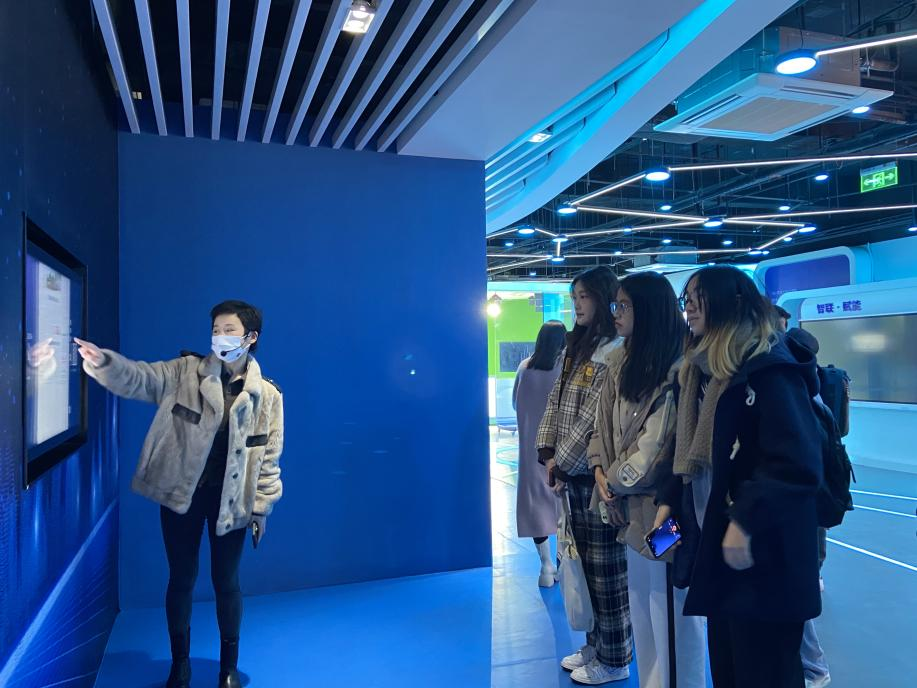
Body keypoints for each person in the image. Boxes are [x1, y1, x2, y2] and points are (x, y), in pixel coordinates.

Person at [75, 300, 284, 688]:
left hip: (231, 502)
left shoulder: (267, 396)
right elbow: (140, 378)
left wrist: (260, 508)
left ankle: (228, 669)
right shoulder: (184, 372)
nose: (220, 337)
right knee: (182, 578)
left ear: (250, 337)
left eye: (230, 330)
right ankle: (180, 665)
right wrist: (104, 363)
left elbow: (269, 457)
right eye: (216, 330)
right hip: (182, 497)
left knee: (227, 582)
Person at [657, 266, 822, 688]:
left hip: (764, 559)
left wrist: (745, 520)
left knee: (765, 672)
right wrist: (668, 500)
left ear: (731, 303)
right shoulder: (700, 372)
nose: (689, 307)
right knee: (729, 671)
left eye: (699, 297)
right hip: (721, 553)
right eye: (687, 298)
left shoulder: (768, 370)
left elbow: (797, 464)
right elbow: (691, 453)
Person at [588, 272, 707, 688]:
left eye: (624, 305)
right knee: (641, 605)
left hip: (664, 513)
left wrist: (612, 482)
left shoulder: (679, 369)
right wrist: (599, 471)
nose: (616, 313)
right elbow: (601, 429)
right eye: (616, 305)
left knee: (670, 608)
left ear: (649, 311)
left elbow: (656, 451)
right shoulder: (618, 364)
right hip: (628, 512)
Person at [536, 265, 632, 685]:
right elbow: (555, 404)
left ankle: (615, 657)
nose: (577, 304)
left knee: (606, 572)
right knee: (583, 568)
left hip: (596, 477)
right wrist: (547, 454)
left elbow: (593, 418)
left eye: (585, 296)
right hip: (572, 476)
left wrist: (562, 462)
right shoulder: (575, 348)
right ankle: (595, 645)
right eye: (574, 296)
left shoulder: (613, 351)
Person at [513, 320, 567, 587]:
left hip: (529, 449)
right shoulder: (565, 368)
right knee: (563, 509)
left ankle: (545, 566)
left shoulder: (524, 368)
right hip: (560, 449)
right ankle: (564, 566)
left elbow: (515, 403)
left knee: (535, 507)